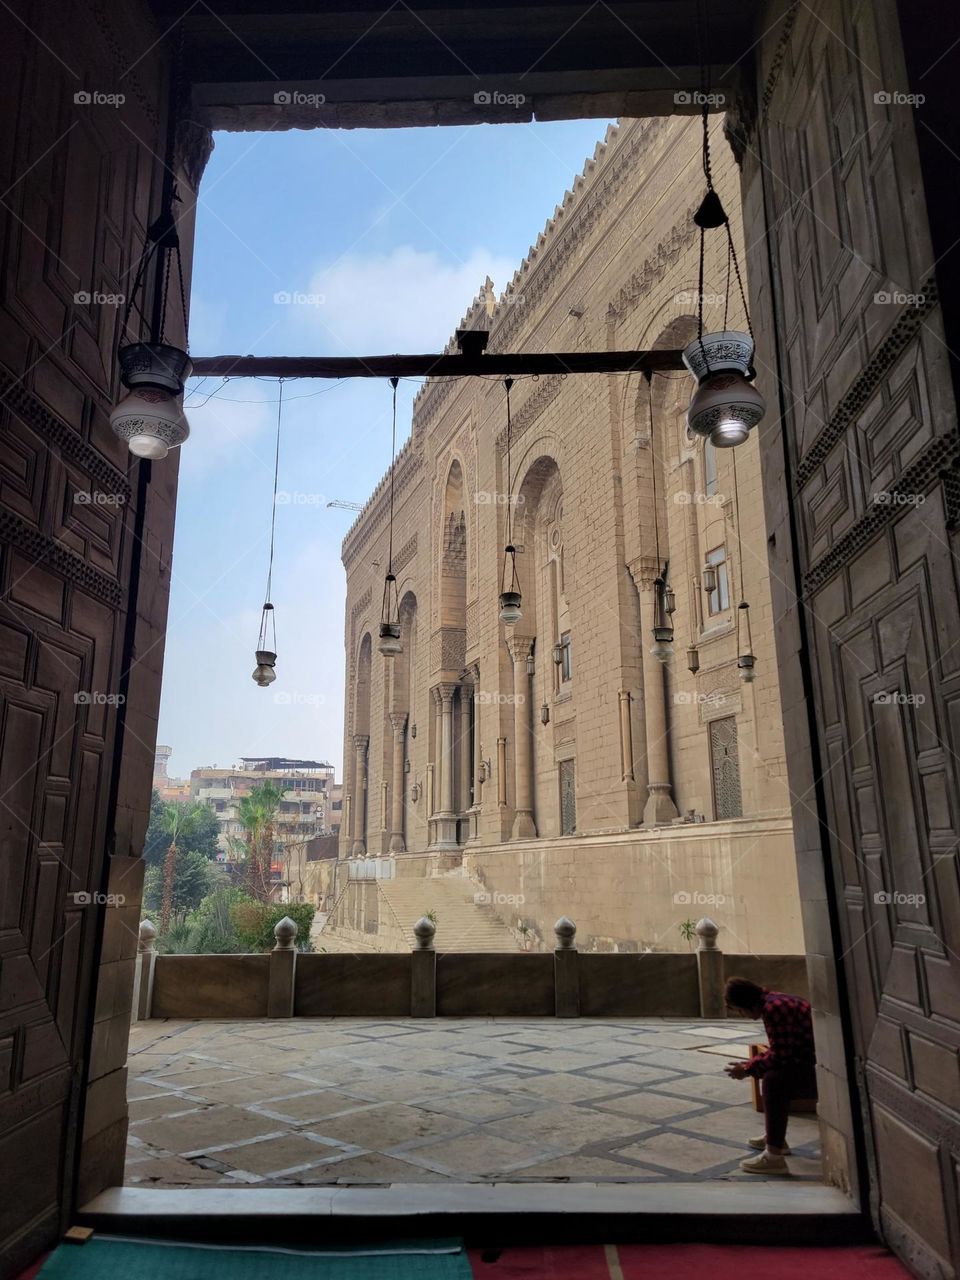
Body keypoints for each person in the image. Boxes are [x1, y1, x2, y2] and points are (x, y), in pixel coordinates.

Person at [723, 976, 816, 1175]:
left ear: (746, 1005)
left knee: (774, 1082)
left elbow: (781, 1055)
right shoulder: (775, 1001)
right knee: (774, 1075)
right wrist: (749, 1065)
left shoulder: (774, 1009)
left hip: (816, 1069)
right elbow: (781, 1048)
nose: (742, 1015)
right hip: (808, 1060)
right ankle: (775, 1139)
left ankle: (773, 1157)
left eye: (740, 1011)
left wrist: (747, 1070)